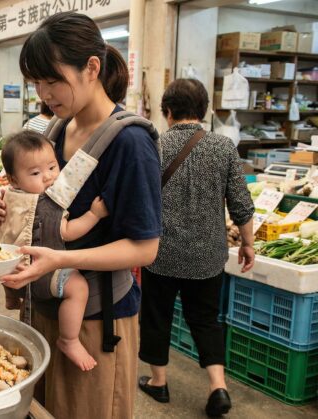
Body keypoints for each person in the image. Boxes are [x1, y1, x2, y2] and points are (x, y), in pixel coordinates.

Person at [0, 12, 161, 418]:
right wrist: (13, 207)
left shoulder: (130, 142)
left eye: (52, 81)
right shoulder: (55, 132)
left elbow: (145, 248)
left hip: (96, 323)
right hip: (46, 307)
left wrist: (62, 259)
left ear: (91, 68)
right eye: (36, 83)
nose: (43, 93)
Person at [138, 79, 255, 418]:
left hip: (160, 252)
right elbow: (241, 204)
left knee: (156, 316)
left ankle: (159, 383)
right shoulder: (223, 147)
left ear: (168, 111)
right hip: (208, 255)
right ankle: (218, 387)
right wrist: (247, 243)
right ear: (203, 111)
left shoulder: (153, 146)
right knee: (206, 319)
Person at [0, 131, 109, 371]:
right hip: (41, 272)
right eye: (36, 173)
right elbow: (67, 232)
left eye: (52, 167)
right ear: (14, 179)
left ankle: (10, 295)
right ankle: (69, 339)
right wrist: (93, 215)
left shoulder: (11, 196)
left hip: (13, 268)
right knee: (78, 287)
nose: (48, 178)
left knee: (10, 269)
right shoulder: (47, 204)